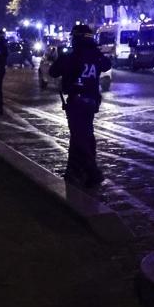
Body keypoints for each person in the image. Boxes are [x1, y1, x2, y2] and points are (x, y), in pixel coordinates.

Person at [49, 24, 112, 188]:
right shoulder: (95, 55)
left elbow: (53, 72)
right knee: (86, 136)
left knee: (79, 137)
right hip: (91, 101)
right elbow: (107, 65)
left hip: (76, 101)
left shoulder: (71, 56)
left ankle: (92, 172)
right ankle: (74, 171)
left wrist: (61, 57)